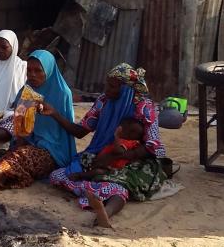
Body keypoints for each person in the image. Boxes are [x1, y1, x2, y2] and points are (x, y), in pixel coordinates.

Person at [49, 63, 166, 228]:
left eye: (111, 86)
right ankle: (96, 191)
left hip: (134, 160)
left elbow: (153, 146)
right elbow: (81, 131)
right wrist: (54, 113)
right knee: (57, 175)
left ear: (125, 89)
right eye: (107, 85)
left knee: (121, 187)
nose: (106, 90)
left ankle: (106, 213)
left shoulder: (144, 108)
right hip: (101, 154)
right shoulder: (103, 102)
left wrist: (117, 156)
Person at [0, 50, 78, 193]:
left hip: (54, 152)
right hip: (29, 144)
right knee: (11, 157)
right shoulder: (26, 91)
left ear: (48, 71)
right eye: (29, 70)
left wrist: (53, 113)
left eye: (38, 70)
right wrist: (18, 143)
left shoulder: (62, 93)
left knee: (22, 157)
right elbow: (20, 127)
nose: (32, 74)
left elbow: (69, 129)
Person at [0, 29, 27, 144]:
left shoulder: (22, 68)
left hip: (9, 112)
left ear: (13, 46)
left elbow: (25, 96)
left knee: (16, 121)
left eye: (4, 47)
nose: (0, 51)